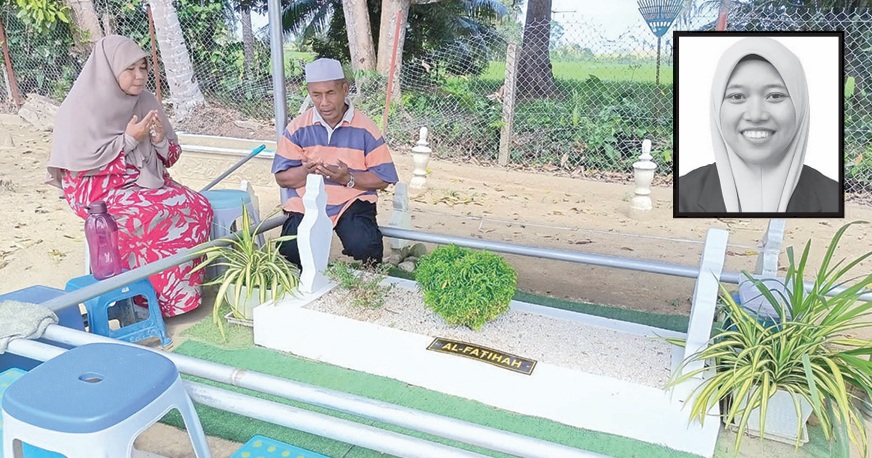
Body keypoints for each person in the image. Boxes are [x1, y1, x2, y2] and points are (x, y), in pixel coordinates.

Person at [47, 35, 213, 318]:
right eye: (130, 69)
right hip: (96, 192)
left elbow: (170, 157)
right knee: (146, 216)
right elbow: (78, 169)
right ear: (110, 69)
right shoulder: (79, 109)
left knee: (198, 206)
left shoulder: (146, 100)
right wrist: (129, 140)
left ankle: (180, 295)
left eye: (143, 68)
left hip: (145, 182)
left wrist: (159, 140)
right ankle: (141, 300)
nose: (139, 76)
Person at [677, 37, 839, 214]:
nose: (755, 115)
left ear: (800, 105)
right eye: (737, 96)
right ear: (717, 107)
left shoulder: (834, 198)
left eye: (775, 96)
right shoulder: (682, 195)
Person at [273, 58, 399, 267]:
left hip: (351, 201)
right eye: (316, 94)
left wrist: (348, 178)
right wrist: (305, 172)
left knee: (365, 245)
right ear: (309, 92)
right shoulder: (297, 128)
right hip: (306, 202)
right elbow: (282, 178)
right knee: (291, 249)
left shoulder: (366, 128)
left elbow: (383, 178)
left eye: (330, 93)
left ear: (344, 89)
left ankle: (368, 281)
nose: (324, 102)